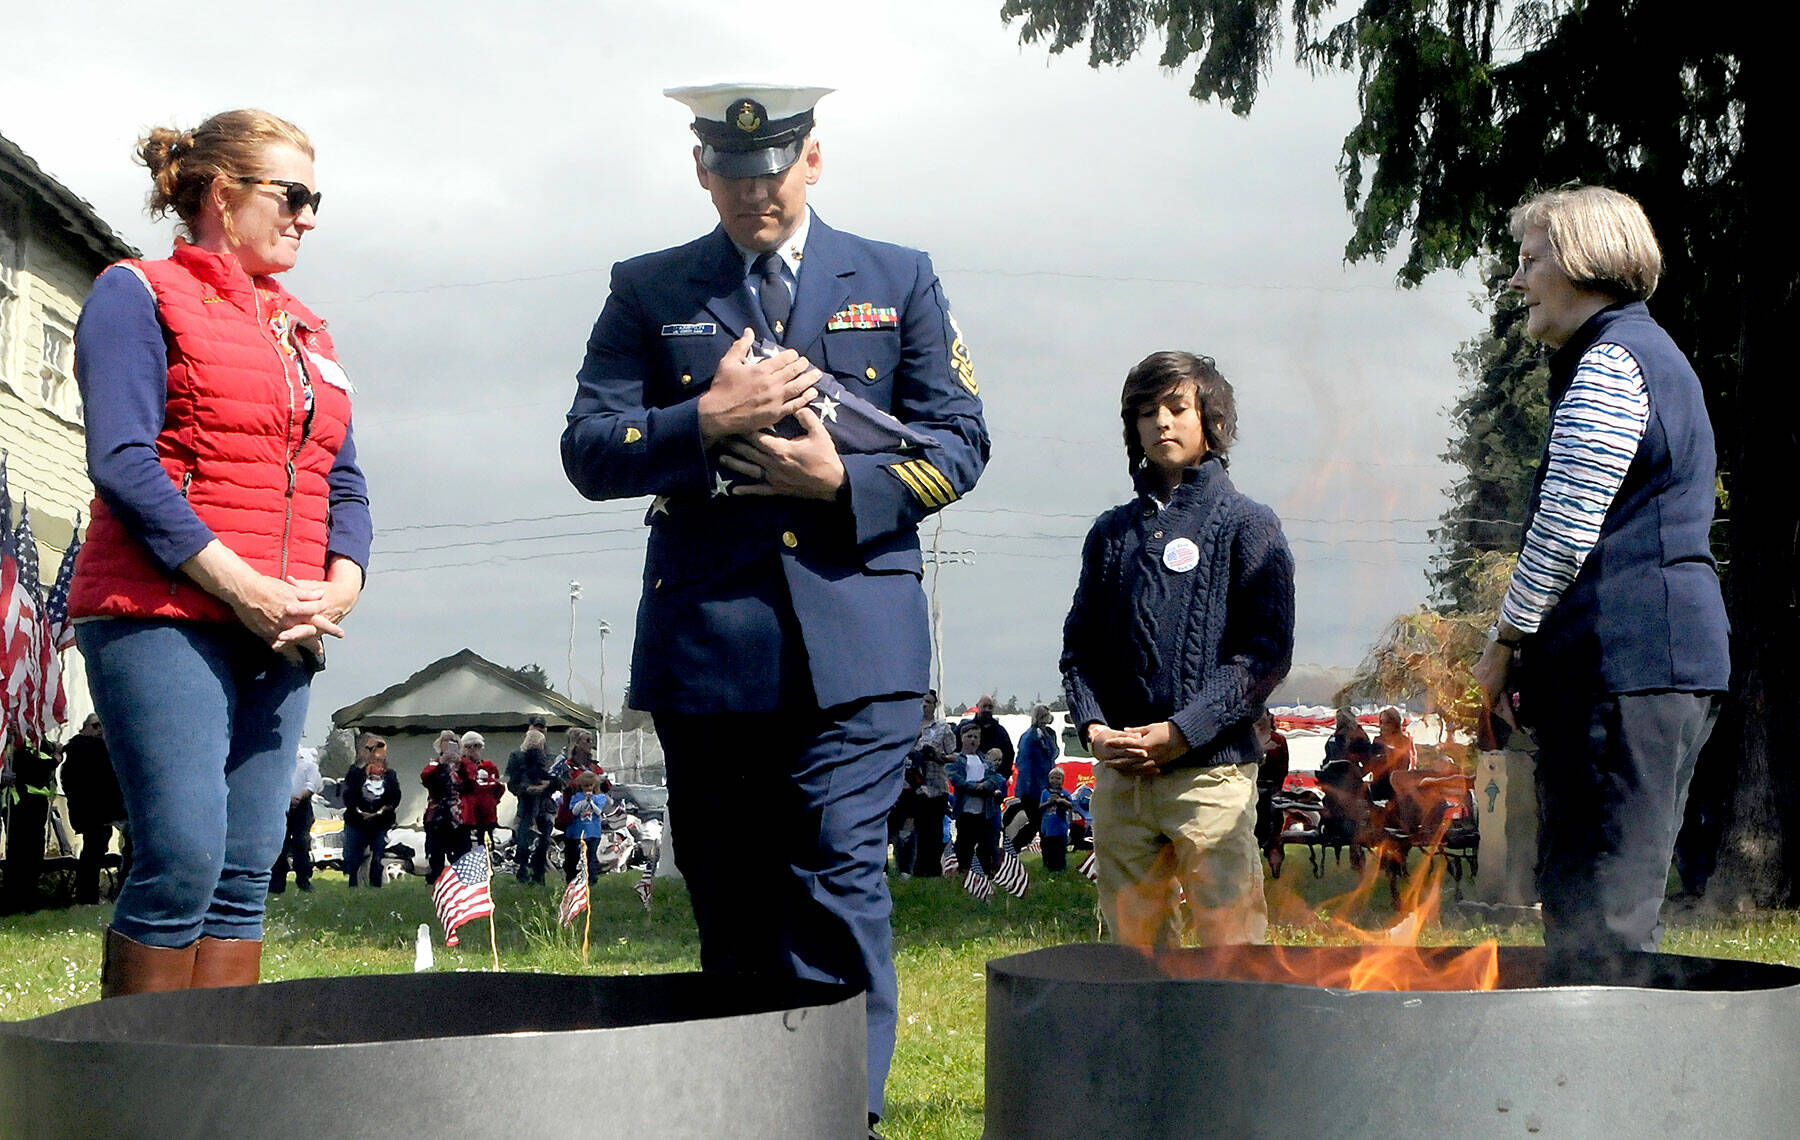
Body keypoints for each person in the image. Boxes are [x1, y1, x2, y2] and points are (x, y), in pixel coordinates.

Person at [559, 81, 989, 1132]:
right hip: (711, 647)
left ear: (814, 161)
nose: (757, 190)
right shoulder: (646, 288)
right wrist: (703, 416)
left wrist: (842, 485)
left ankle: (845, 1115)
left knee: (834, 871)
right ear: (702, 170)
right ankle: (754, 1110)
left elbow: (961, 440)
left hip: (861, 645)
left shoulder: (899, 278)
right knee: (735, 893)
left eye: (775, 168)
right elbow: (587, 447)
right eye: (734, 172)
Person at [69, 109, 368, 995]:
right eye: (293, 195)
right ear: (221, 194)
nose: (309, 216)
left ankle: (224, 1099)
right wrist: (240, 585)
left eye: (319, 200)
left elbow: (342, 481)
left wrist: (338, 586)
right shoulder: (138, 291)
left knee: (246, 868)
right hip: (163, 615)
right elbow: (122, 458)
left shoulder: (308, 331)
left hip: (284, 624)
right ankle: (135, 1096)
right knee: (185, 856)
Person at [1474, 186, 1729, 983]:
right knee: (1593, 905)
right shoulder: (1637, 356)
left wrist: (1504, 643)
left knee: (1605, 915)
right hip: (1643, 669)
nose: (1517, 281)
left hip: (1631, 667)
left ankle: (1611, 1097)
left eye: (1530, 259)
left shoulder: (1616, 362)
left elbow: (1562, 532)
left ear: (1584, 264)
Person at [1061, 351, 1294, 948]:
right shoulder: (1111, 534)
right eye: (1144, 412)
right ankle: (1148, 1046)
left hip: (1211, 778)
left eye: (1175, 407)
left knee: (1232, 949)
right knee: (1135, 955)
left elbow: (1265, 656)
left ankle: (1238, 1045)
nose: (1160, 423)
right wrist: (1094, 731)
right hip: (1121, 781)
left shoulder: (1250, 524)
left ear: (1210, 420)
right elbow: (1079, 650)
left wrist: (1185, 730)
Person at [59, 714, 124, 906]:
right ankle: (87, 897)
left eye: (103, 726)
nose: (100, 731)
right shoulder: (85, 749)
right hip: (94, 812)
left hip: (99, 812)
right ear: (84, 728)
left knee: (96, 851)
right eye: (96, 726)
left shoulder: (92, 750)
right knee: (93, 854)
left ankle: (89, 896)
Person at [340, 734, 400, 888]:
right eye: (371, 748)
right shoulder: (355, 772)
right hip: (357, 822)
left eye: (379, 747)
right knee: (353, 858)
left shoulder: (389, 774)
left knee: (378, 857)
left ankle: (375, 887)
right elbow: (347, 795)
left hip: (380, 822)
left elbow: (395, 797)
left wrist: (379, 812)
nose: (375, 752)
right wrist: (359, 811)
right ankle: (353, 886)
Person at [550, 728, 606, 880]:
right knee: (573, 854)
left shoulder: (593, 765)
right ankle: (572, 884)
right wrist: (583, 780)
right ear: (576, 742)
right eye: (587, 740)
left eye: (591, 740)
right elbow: (558, 782)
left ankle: (590, 882)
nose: (590, 743)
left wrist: (600, 781)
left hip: (591, 818)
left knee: (590, 854)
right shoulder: (565, 764)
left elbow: (605, 787)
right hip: (571, 814)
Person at [949, 728, 1004, 881]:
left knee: (985, 844)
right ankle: (963, 871)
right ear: (962, 738)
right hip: (965, 810)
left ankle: (984, 873)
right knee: (964, 843)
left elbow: (995, 778)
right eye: (969, 736)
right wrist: (975, 787)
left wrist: (985, 786)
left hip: (984, 810)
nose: (972, 740)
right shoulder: (957, 759)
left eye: (976, 737)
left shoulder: (985, 761)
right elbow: (955, 778)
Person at [505, 726, 557, 884]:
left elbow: (559, 782)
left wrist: (545, 786)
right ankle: (522, 874)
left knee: (544, 841)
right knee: (523, 842)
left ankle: (538, 876)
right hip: (526, 806)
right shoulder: (516, 757)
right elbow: (512, 784)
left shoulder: (551, 757)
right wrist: (526, 789)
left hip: (545, 806)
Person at [269, 746, 322, 894]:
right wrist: (287, 797)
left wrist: (298, 797)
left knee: (302, 843)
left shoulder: (309, 765)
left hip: (302, 809)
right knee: (281, 845)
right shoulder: (279, 765)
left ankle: (303, 880)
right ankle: (277, 884)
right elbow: (275, 785)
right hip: (282, 806)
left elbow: (311, 786)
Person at [420, 733, 465, 884]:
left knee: (460, 854)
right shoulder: (434, 763)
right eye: (446, 741)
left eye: (453, 741)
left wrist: (461, 765)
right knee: (436, 853)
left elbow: (471, 783)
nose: (450, 744)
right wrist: (441, 763)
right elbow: (426, 777)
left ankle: (460, 885)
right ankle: (436, 884)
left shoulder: (463, 765)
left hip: (458, 816)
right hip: (436, 816)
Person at [1012, 704, 1059, 848]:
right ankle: (1013, 849)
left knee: (1044, 821)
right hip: (1032, 787)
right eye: (1044, 716)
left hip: (1046, 785)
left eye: (1047, 716)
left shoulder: (1050, 734)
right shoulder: (1029, 737)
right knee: (1036, 823)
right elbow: (1023, 763)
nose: (1046, 719)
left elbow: (1054, 754)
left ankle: (1049, 854)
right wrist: (1024, 790)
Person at [1253, 711, 1290, 878]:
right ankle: (1274, 862)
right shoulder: (1278, 739)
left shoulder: (1252, 740)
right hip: (1270, 790)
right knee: (1274, 830)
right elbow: (1283, 769)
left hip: (1256, 790)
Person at [457, 731, 503, 852]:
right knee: (464, 846)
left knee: (487, 844)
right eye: (468, 746)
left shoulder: (489, 767)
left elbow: (498, 787)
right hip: (467, 814)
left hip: (487, 813)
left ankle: (488, 866)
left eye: (476, 746)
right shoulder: (459, 767)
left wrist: (492, 802)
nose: (473, 749)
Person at [563, 771, 609, 883]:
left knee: (590, 858)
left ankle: (591, 881)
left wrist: (591, 802)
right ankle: (573, 881)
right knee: (574, 858)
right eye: (585, 785)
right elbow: (574, 811)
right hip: (576, 833)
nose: (588, 788)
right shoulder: (576, 797)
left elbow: (598, 812)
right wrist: (584, 801)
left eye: (590, 785)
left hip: (593, 833)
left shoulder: (600, 797)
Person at [1038, 767, 1076, 873]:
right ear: (1049, 779)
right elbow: (1040, 807)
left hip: (1061, 828)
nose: (1055, 780)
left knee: (1060, 850)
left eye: (1058, 778)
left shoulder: (1066, 793)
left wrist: (1061, 801)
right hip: (1047, 828)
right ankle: (1048, 867)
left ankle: (1061, 868)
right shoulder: (1045, 792)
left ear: (1063, 781)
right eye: (1052, 778)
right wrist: (1049, 802)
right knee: (1048, 850)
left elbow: (1071, 805)